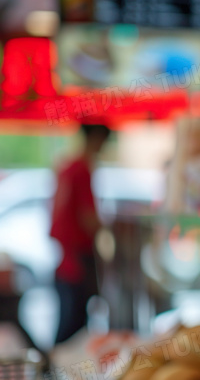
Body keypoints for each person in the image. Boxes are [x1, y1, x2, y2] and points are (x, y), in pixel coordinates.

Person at [50, 123, 110, 344]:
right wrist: (110, 231)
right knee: (74, 327)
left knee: (69, 321)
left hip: (64, 257)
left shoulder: (67, 166)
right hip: (77, 259)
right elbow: (88, 218)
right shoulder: (81, 170)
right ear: (95, 138)